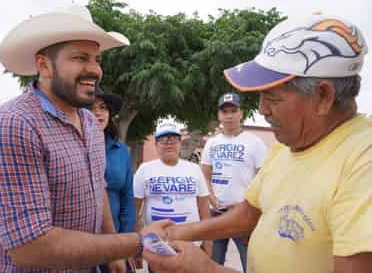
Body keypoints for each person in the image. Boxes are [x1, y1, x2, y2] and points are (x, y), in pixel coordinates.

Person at [144, 14, 372, 273]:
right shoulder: (288, 145)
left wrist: (207, 269)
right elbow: (249, 214)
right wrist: (177, 232)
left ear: (323, 96)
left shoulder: (363, 162)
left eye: (272, 98)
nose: (263, 109)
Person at [0, 5, 171, 272]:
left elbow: (97, 189)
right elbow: (33, 248)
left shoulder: (89, 122)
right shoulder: (13, 126)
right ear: (44, 65)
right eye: (80, 58)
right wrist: (135, 243)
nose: (94, 70)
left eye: (97, 59)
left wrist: (111, 250)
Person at [201, 92, 267, 272]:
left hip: (244, 214)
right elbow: (205, 175)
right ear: (219, 115)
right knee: (213, 264)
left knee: (251, 264)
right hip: (217, 214)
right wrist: (211, 197)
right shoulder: (211, 143)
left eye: (233, 110)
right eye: (224, 112)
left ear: (241, 113)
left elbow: (264, 178)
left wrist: (248, 203)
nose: (229, 115)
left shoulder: (255, 143)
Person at [134, 124, 212, 272]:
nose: (169, 143)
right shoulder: (145, 170)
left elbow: (204, 208)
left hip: (191, 245)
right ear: (156, 144)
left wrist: (208, 243)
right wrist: (137, 246)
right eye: (164, 140)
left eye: (174, 139)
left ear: (180, 143)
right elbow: (135, 209)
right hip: (158, 246)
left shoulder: (194, 169)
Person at [88, 87, 136, 273]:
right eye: (91, 108)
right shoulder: (68, 147)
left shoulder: (121, 151)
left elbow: (128, 197)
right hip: (79, 241)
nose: (98, 113)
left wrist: (126, 240)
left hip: (114, 238)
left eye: (103, 107)